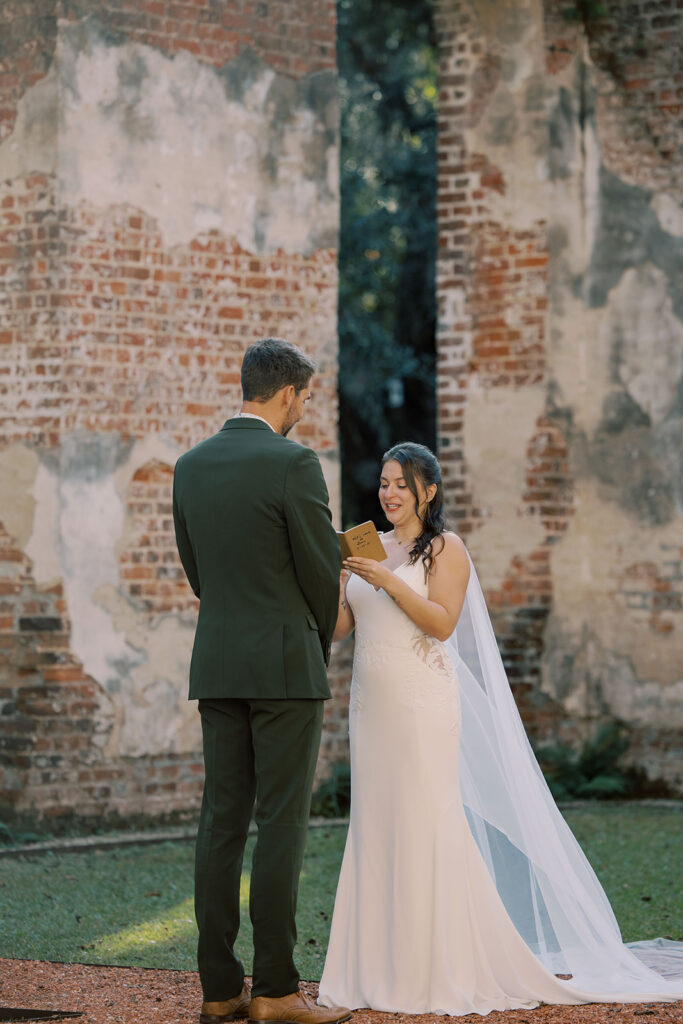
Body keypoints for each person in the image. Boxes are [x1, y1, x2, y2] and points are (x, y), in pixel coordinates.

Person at [318, 441, 683, 1016]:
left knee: (425, 822)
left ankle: (436, 969)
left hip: (422, 707)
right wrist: (338, 583)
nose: (388, 493)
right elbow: (342, 630)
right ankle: (373, 969)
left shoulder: (445, 548)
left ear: (427, 492)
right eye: (384, 482)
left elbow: (440, 623)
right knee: (377, 825)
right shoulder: (371, 547)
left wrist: (387, 580)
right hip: (371, 711)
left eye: (400, 484)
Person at [173, 337, 351, 1024]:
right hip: (284, 666)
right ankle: (275, 989)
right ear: (285, 394)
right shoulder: (294, 463)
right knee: (280, 824)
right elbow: (315, 571)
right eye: (304, 397)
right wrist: (321, 636)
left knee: (221, 821)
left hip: (216, 662)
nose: (304, 408)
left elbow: (198, 574)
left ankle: (219, 991)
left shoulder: (189, 466)